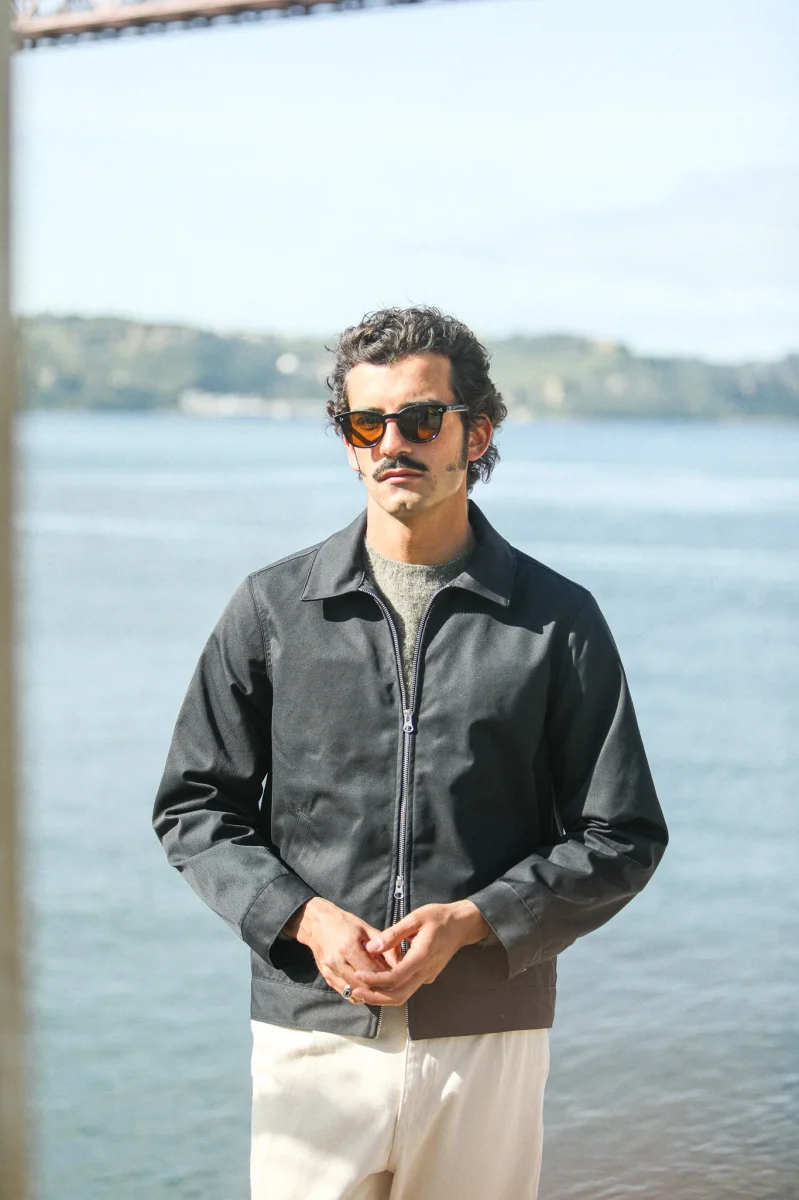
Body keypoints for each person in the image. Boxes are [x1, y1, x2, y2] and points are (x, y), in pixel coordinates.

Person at [152, 305, 668, 1200]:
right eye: (367, 423)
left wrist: (471, 922)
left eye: (422, 419)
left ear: (478, 434)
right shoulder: (273, 609)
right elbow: (194, 806)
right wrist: (305, 920)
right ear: (349, 443)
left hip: (487, 1039)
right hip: (310, 1036)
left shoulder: (556, 621)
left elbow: (621, 834)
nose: (393, 442)